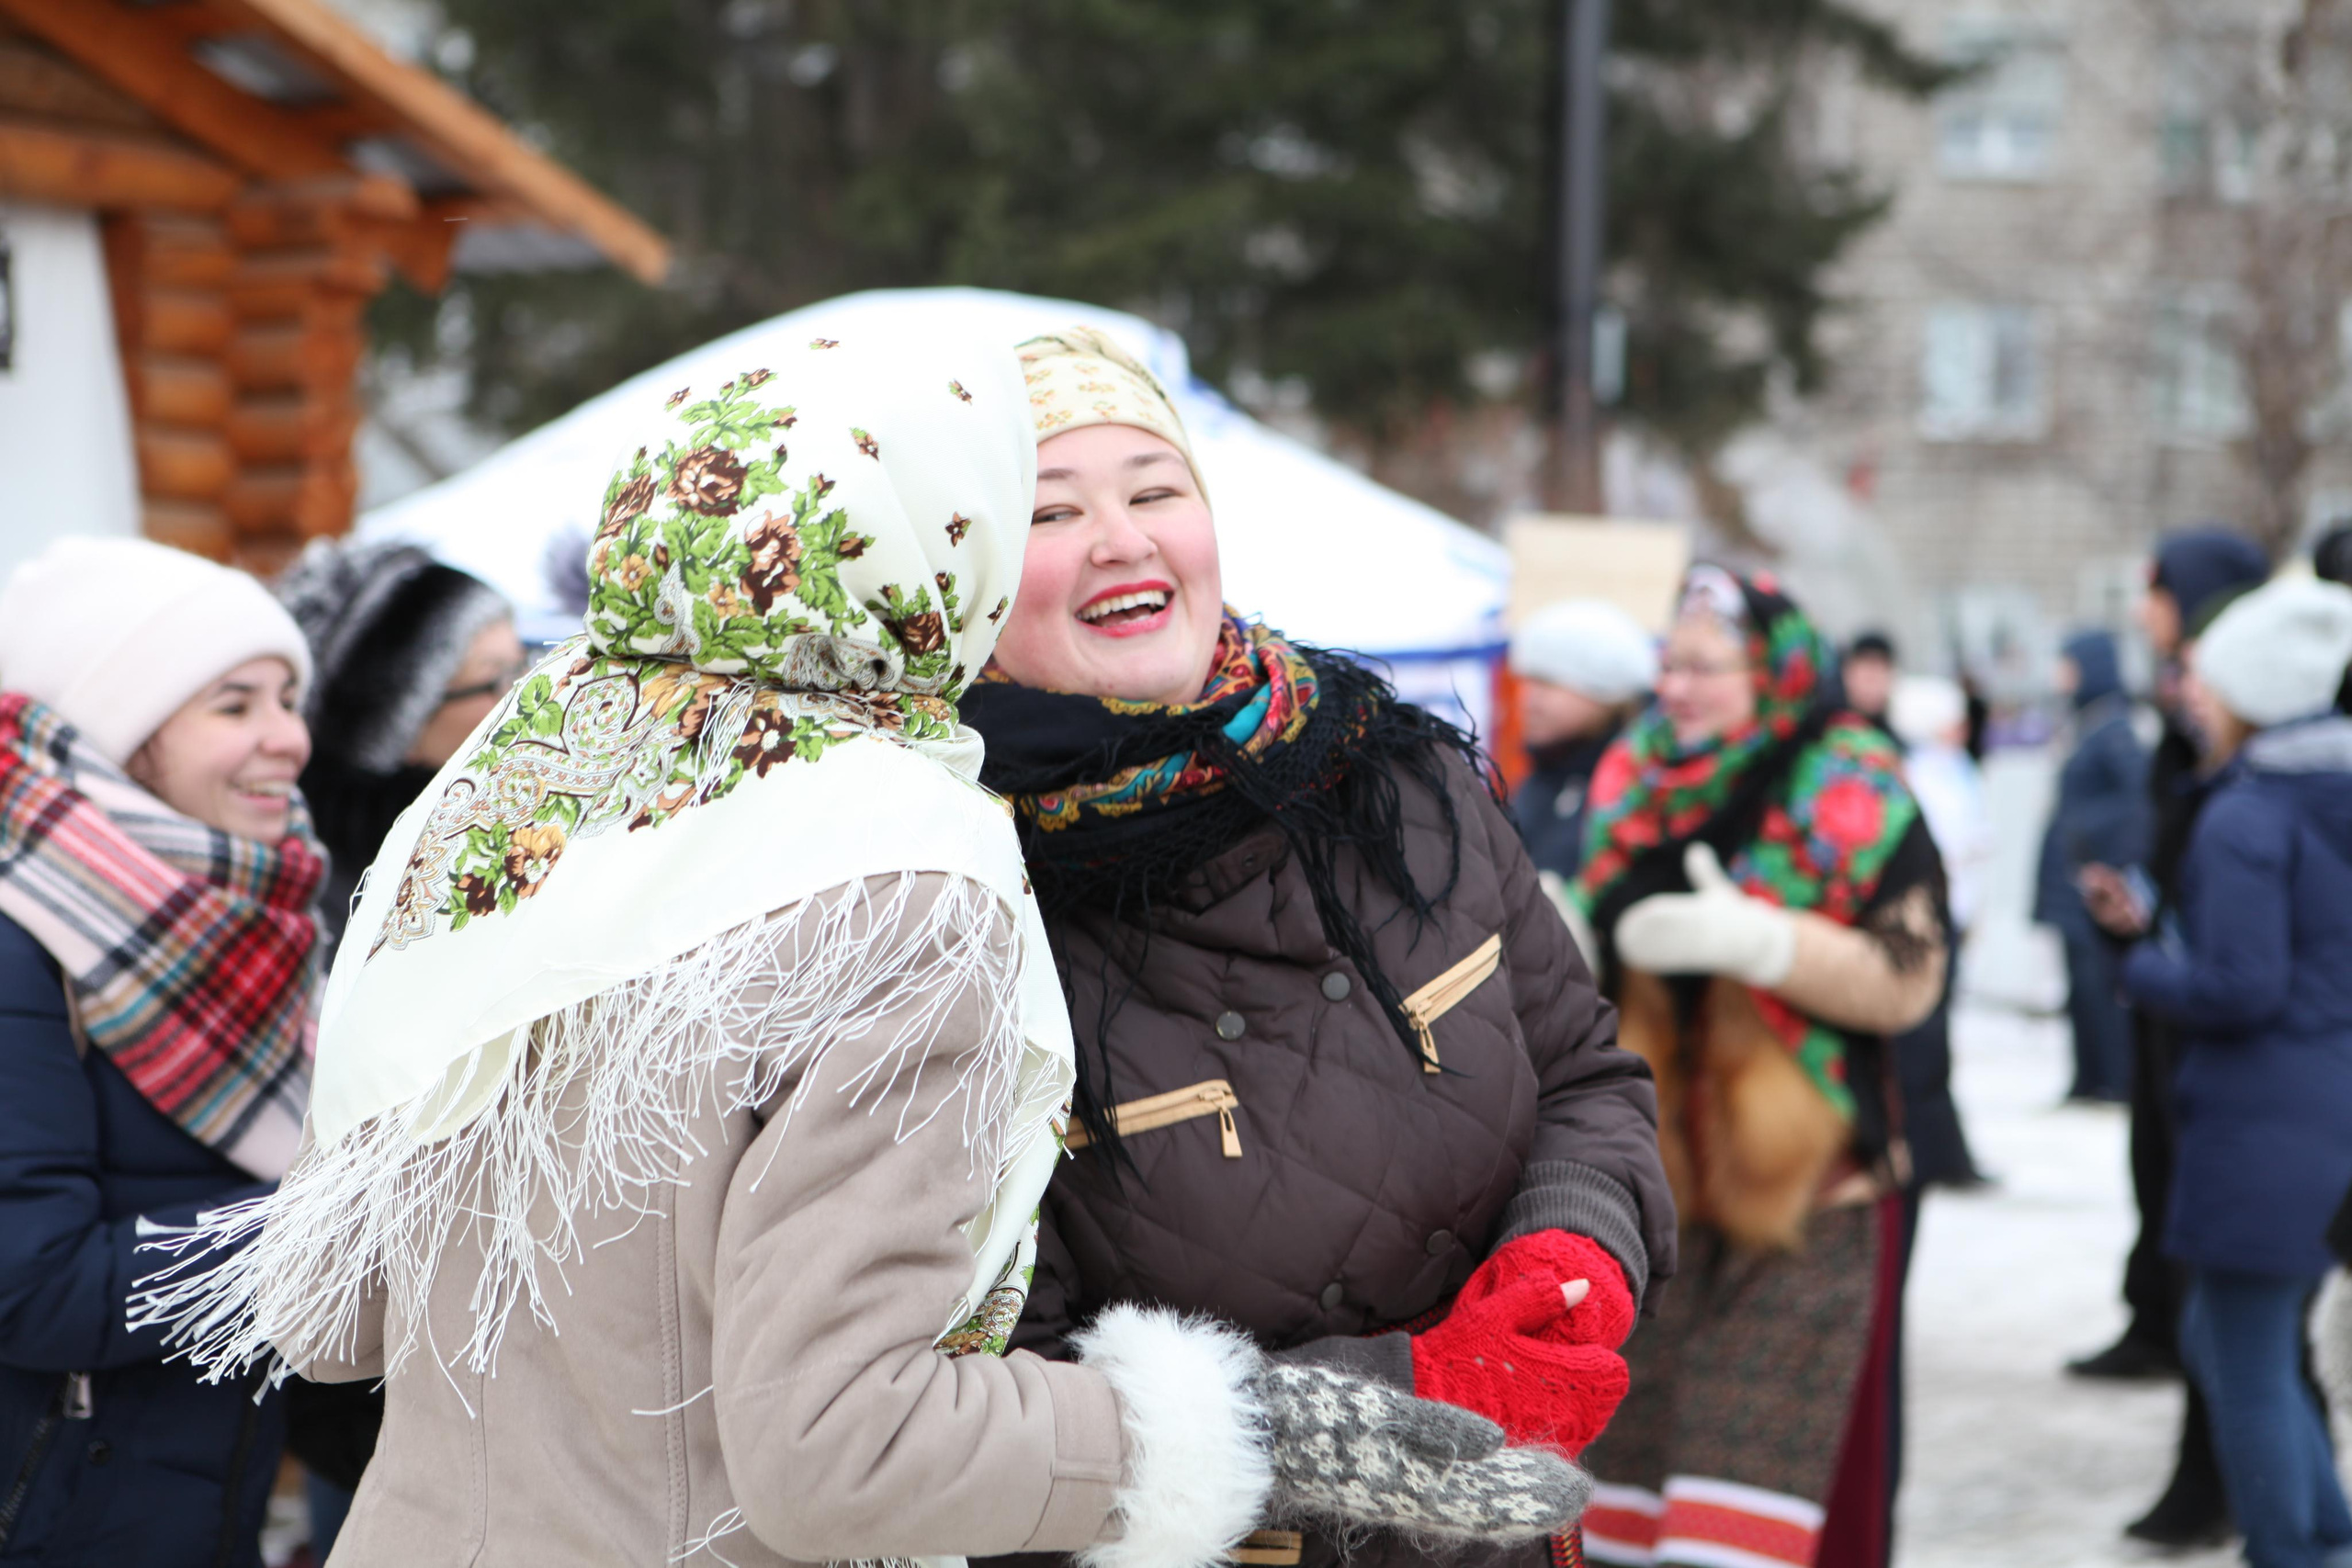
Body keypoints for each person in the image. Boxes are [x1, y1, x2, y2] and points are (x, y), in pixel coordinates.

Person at [133, 331, 1587, 1568]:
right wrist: (1275, 1427)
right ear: (932, 559)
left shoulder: (517, 798)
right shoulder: (893, 876)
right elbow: (838, 1439)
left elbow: (329, 1309)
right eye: (1027, 508)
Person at [960, 325, 1671, 1568]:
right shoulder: (954, 904)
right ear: (960, 575)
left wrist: (1574, 1246)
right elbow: (987, 1396)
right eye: (1049, 511)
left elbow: (1582, 1073)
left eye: (1153, 489)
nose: (1122, 537)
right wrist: (1410, 1392)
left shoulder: (1403, 779)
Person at [1568, 566, 1948, 1568]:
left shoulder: (1849, 778)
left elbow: (1912, 978)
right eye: (1668, 663)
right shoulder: (1633, 773)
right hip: (1653, 1198)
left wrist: (1767, 946)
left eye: (1705, 667)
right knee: (1626, 1507)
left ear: (1774, 669)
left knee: (1748, 1515)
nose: (1676, 689)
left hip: (1809, 1195)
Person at [0, 537, 321, 1567]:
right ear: (117, 736)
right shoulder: (19, 937)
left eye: (287, 697)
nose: (290, 739)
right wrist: (344, 1221)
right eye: (235, 706)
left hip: (195, 1511)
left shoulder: (269, 917)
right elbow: (34, 1288)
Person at [266, 538, 519, 1555]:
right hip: (372, 1395)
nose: (528, 693)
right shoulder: (342, 895)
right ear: (400, 721)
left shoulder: (520, 826)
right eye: (493, 678)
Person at [2113, 575, 2352, 1568]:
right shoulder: (2327, 789)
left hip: (2262, 1119)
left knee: (2238, 1351)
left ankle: (2291, 1549)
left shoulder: (2246, 814)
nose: (2190, 695)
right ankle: (2323, 1529)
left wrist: (2137, 959)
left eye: (2207, 680)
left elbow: (2240, 986)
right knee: (2236, 1334)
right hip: (2321, 1110)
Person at [2070, 525, 2267, 1548]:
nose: (2144, 609)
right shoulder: (2195, 709)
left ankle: (2241, 1486)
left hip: (2220, 1032)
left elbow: (2243, 938)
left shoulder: (2245, 724)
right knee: (2185, 1243)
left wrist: (2150, 952)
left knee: (2235, 1297)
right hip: (2173, 1016)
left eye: (2156, 591)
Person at [2034, 630, 2147, 1104]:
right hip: (2071, 882)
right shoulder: (2087, 723)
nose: (2061, 676)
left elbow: (2135, 803)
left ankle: (2114, 1078)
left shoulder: (2114, 729)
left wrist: (2091, 844)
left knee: (2100, 987)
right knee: (2079, 988)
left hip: (2091, 882)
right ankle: (2087, 1077)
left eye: (2069, 665)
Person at [1510, 599, 1657, 883]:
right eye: (1528, 682)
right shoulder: (1544, 774)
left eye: (1549, 683)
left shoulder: (1636, 788)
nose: (1529, 700)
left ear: (1609, 692)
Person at [1840, 631, 1898, 737]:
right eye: (1868, 677)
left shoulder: (1890, 740)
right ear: (1847, 674)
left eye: (1882, 674)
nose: (1873, 688)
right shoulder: (1820, 728)